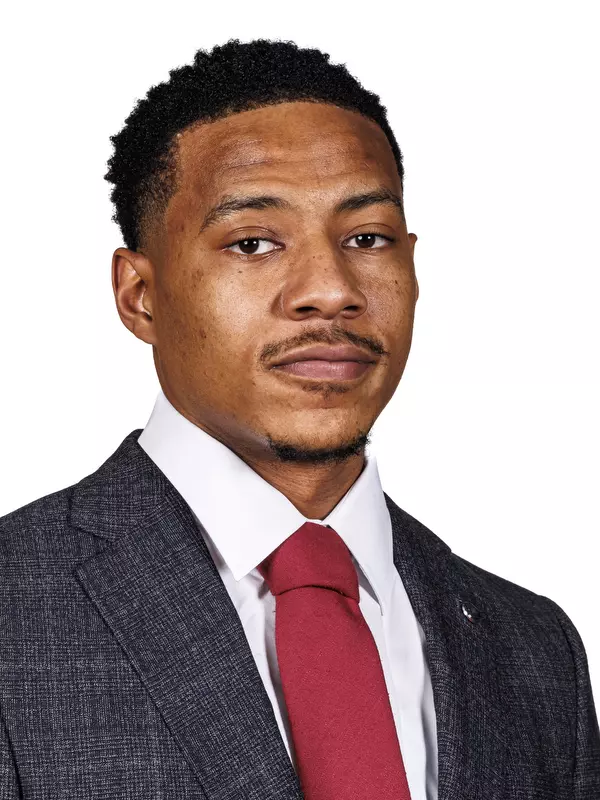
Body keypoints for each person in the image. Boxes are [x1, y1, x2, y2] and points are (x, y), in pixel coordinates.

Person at [0, 39, 598, 800]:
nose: (330, 289)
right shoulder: (16, 609)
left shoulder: (535, 650)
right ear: (139, 295)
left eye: (367, 239)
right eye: (253, 242)